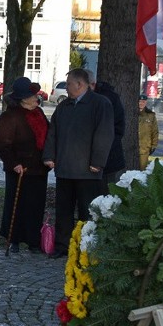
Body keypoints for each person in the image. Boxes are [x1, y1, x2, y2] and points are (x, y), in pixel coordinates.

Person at [42, 68, 114, 259]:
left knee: (87, 212)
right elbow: (53, 132)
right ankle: (62, 246)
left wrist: (98, 161)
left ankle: (87, 246)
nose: (66, 88)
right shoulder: (64, 106)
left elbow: (105, 134)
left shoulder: (100, 104)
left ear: (80, 84)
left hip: (87, 171)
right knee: (63, 211)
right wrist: (49, 156)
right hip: (65, 168)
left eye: (68, 84)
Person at [0, 77, 51, 254]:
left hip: (39, 169)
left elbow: (48, 137)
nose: (36, 98)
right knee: (16, 205)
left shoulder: (39, 113)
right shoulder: (10, 116)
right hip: (20, 169)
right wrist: (13, 164)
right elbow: (2, 144)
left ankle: (34, 240)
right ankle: (14, 239)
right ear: (23, 98)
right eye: (32, 95)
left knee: (36, 205)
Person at [91, 71, 127, 184]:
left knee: (106, 192)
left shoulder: (107, 99)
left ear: (91, 84)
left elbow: (115, 129)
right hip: (94, 159)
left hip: (109, 158)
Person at [137, 94, 158, 170]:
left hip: (144, 148)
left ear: (146, 102)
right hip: (131, 148)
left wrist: (154, 145)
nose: (141, 103)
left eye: (143, 101)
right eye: (139, 101)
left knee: (142, 170)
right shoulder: (131, 114)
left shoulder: (150, 115)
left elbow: (155, 131)